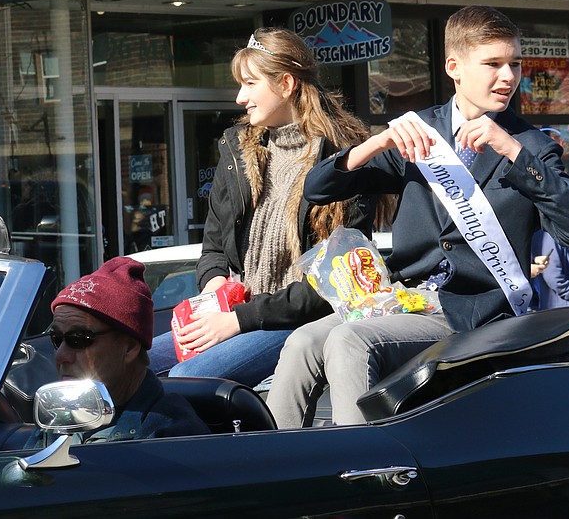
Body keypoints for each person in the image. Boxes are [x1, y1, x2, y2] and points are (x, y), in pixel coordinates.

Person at [266, 5, 569, 427]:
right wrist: (377, 143)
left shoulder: (530, 144)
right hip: (400, 300)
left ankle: (363, 472)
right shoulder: (419, 129)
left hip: (474, 312)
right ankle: (273, 468)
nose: (508, 76)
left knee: (350, 340)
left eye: (514, 63)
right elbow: (318, 189)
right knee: (302, 343)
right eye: (493, 64)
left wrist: (512, 152)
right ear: (454, 67)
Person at [149, 27, 380, 386]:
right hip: (232, 316)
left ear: (286, 84)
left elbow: (332, 285)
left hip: (294, 322)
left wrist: (238, 320)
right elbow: (213, 247)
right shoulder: (236, 150)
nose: (240, 97)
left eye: (250, 84)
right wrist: (214, 288)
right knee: (128, 367)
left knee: (187, 380)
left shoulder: (343, 159)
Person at [49, 256, 209, 441]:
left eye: (79, 339)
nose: (61, 355)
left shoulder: (171, 432)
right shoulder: (57, 420)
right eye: (56, 339)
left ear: (130, 348)